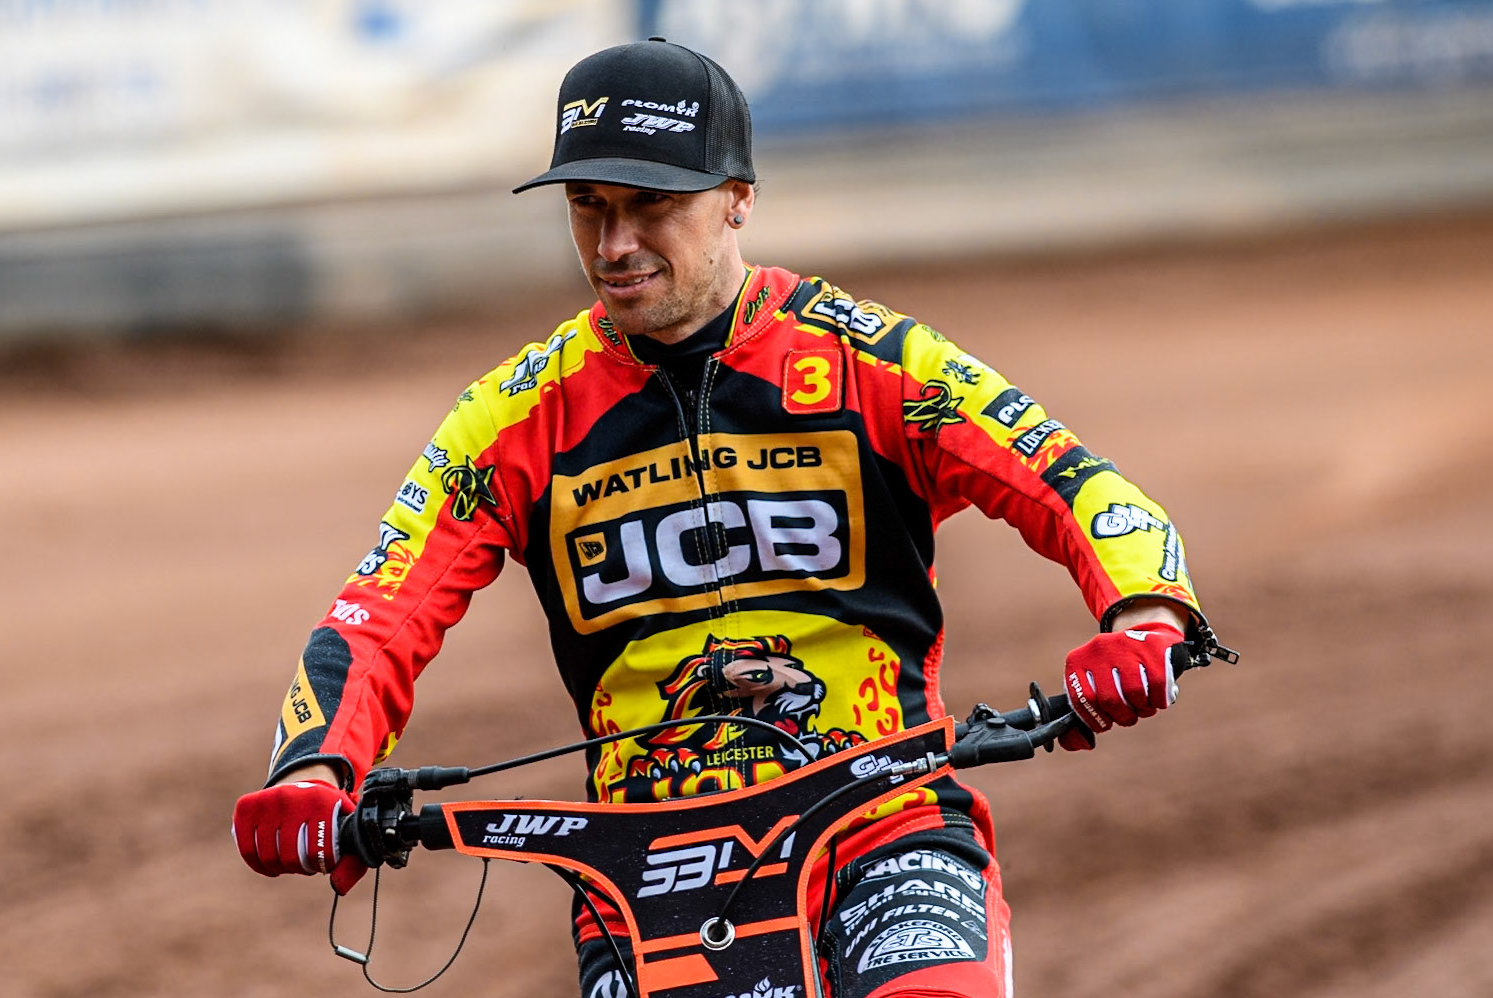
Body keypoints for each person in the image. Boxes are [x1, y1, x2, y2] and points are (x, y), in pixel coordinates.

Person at [233, 38, 1233, 998]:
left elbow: (1078, 484)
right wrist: (316, 764)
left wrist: (1142, 615)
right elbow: (380, 608)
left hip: (883, 819)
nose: (614, 244)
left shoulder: (868, 361)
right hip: (643, 867)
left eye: (652, 206)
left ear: (738, 198)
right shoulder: (513, 416)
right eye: (588, 207)